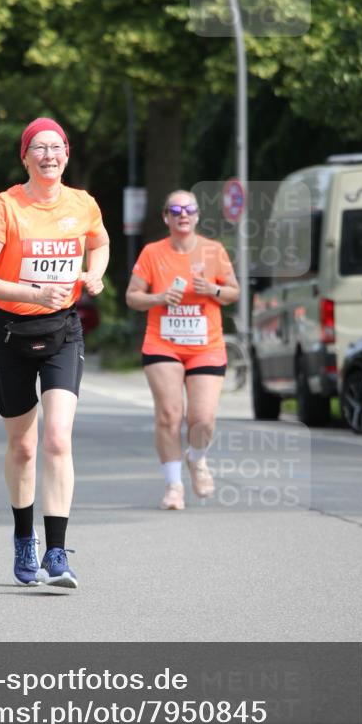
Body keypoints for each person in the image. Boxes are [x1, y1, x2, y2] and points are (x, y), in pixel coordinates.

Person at [0, 117, 109, 588]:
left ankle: (56, 553)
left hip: (63, 331)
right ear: (25, 156)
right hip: (12, 332)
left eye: (57, 147)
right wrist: (33, 292)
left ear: (66, 154)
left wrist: (95, 273)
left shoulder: (83, 203)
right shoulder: (5, 206)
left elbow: (102, 243)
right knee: (24, 447)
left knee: (58, 440)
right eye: (39, 148)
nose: (49, 155)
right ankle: (23, 538)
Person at [125, 189, 240, 510]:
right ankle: (173, 485)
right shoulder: (152, 253)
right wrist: (159, 298)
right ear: (166, 217)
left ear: (198, 215)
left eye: (189, 209)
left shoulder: (213, 251)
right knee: (169, 414)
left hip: (206, 345)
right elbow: (133, 297)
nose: (183, 215)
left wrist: (213, 289)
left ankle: (197, 458)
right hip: (163, 343)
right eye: (175, 210)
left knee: (202, 419)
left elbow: (233, 292)